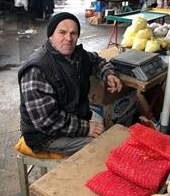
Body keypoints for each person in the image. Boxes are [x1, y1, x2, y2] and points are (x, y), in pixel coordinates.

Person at [18, 12, 123, 155]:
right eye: (62, 33)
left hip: (74, 118)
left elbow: (97, 61)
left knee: (108, 126)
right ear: (50, 35)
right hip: (45, 136)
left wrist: (108, 74)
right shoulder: (37, 69)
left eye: (73, 33)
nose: (68, 38)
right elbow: (47, 121)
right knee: (102, 147)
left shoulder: (77, 55)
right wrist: (86, 128)